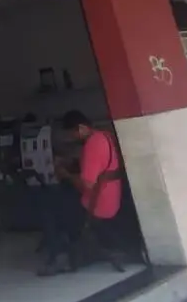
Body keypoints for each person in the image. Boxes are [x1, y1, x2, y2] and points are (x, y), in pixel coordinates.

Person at [38, 110, 124, 276]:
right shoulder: (104, 137)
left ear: (82, 128)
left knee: (49, 207)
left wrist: (66, 175)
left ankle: (61, 257)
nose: (72, 137)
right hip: (111, 197)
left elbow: (87, 184)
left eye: (73, 133)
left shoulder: (92, 145)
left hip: (97, 205)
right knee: (61, 198)